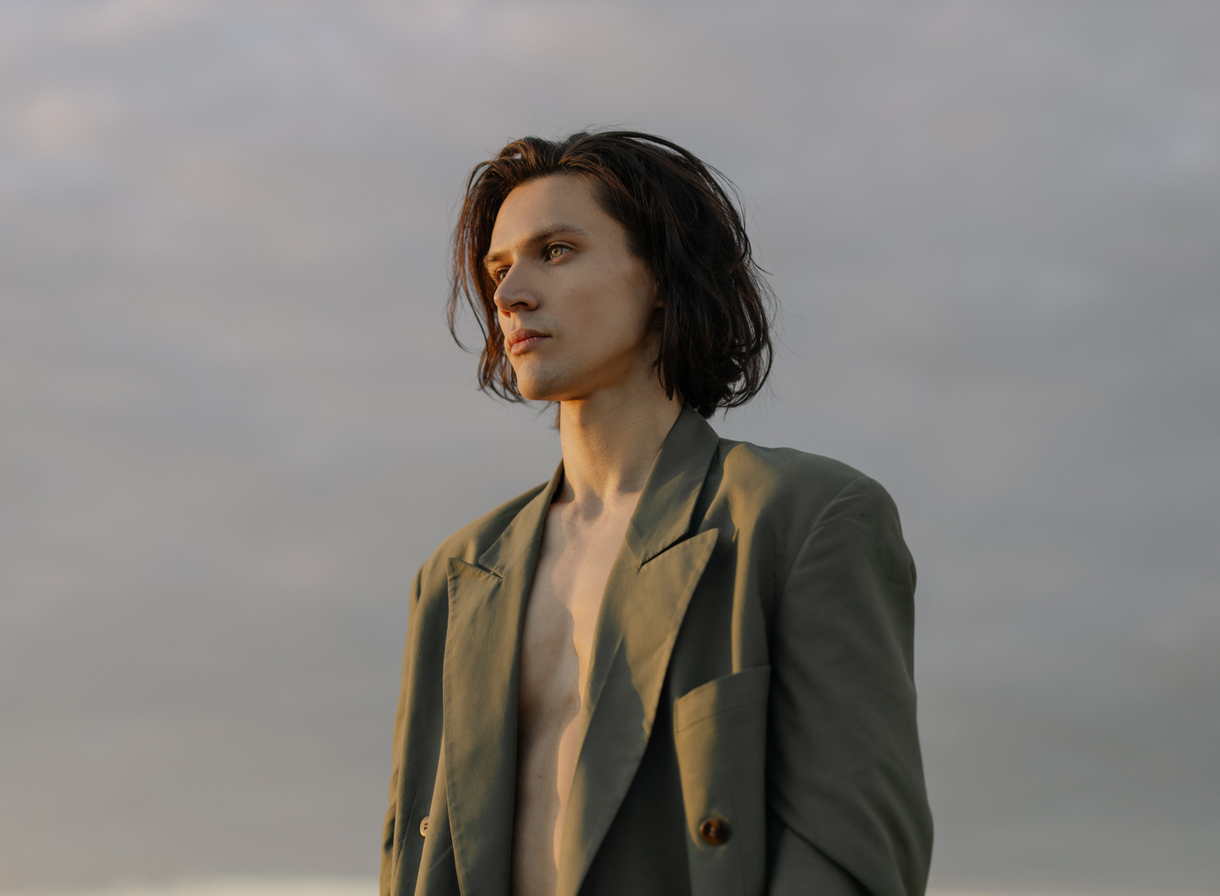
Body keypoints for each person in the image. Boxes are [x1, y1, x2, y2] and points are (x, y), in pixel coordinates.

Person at [380, 130, 932, 896]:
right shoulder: (458, 574)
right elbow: (416, 859)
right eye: (499, 268)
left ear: (664, 279)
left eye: (558, 251)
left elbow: (851, 856)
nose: (509, 295)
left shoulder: (805, 518)